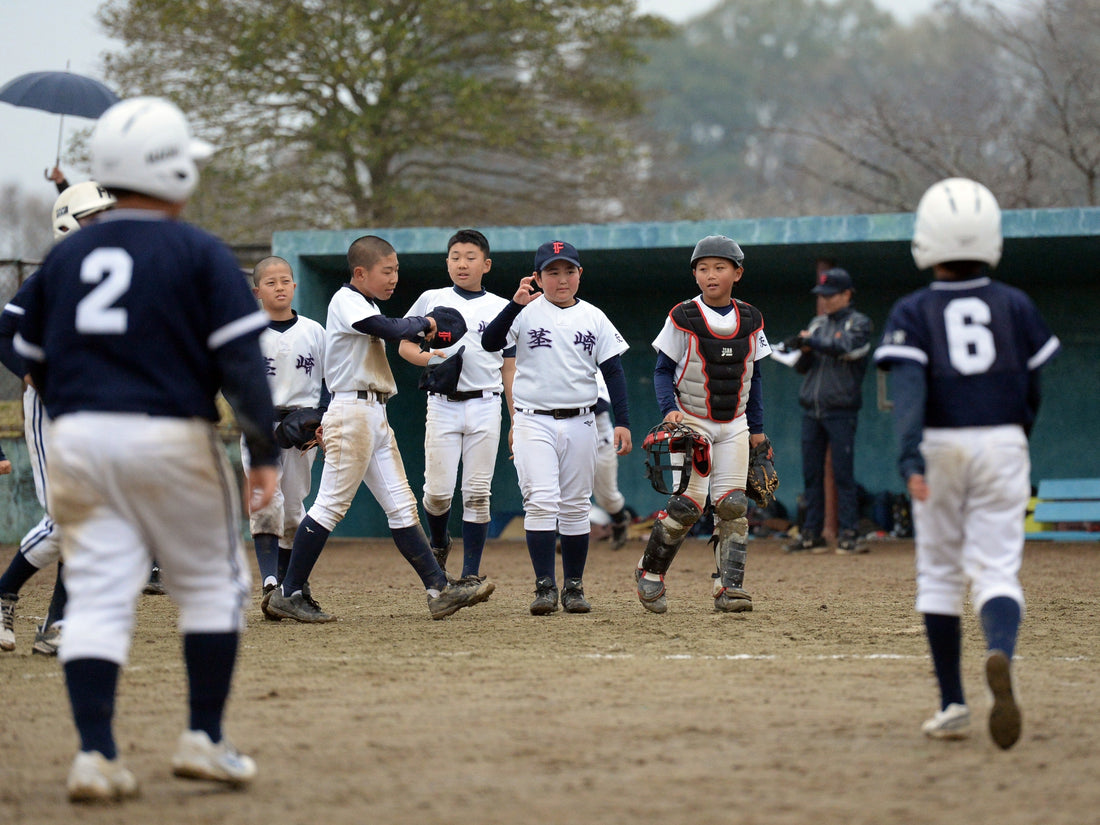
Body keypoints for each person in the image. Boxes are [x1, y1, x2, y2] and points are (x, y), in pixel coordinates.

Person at [14, 96, 279, 800]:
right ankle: (204, 738)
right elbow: (242, 363)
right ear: (174, 173)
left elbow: (25, 350)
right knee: (211, 586)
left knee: (97, 596)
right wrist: (262, 453)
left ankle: (96, 755)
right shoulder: (198, 251)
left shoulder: (66, 255)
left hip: (80, 437)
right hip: (171, 435)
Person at [874, 177, 1061, 750]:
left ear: (924, 240)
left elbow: (906, 393)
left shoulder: (913, 308)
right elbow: (1034, 387)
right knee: (997, 570)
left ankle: (953, 704)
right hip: (1004, 441)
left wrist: (910, 459)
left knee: (939, 575)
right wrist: (1014, 439)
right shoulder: (1015, 304)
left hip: (940, 446)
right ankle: (999, 650)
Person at [263, 235, 494, 623]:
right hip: (351, 411)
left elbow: (393, 327)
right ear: (360, 272)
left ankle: (438, 589)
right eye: (387, 271)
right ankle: (290, 592)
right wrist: (427, 323)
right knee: (330, 506)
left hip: (374, 412)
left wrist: (424, 334)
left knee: (402, 506)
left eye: (396, 270)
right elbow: (385, 327)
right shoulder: (346, 300)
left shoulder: (366, 301)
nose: (394, 279)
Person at [482, 240, 631, 615]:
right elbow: (489, 342)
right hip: (533, 420)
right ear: (537, 277)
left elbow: (614, 371)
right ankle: (545, 586)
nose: (561, 279)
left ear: (580, 274)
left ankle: (574, 587)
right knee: (541, 501)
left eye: (568, 271)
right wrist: (515, 304)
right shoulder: (525, 312)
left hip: (582, 420)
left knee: (576, 507)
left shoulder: (595, 317)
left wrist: (624, 422)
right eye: (552, 271)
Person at [0, 181, 116, 656]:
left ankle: (55, 625)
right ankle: (5, 593)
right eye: (92, 219)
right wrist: (29, 374)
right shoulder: (51, 276)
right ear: (67, 226)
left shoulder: (110, 274)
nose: (102, 226)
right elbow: (3, 331)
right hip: (51, 405)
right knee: (68, 519)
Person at [635, 235, 772, 614]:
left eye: (720, 267)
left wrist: (757, 429)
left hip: (735, 425)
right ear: (695, 274)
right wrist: (669, 410)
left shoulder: (752, 318)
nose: (711, 275)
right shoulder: (683, 316)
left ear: (737, 273)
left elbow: (754, 377)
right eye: (703, 268)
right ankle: (650, 572)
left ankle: (728, 588)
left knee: (732, 505)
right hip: (693, 421)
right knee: (688, 506)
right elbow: (663, 371)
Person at [397, 229, 515, 582]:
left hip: (485, 402)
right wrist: (429, 358)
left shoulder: (499, 307)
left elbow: (509, 366)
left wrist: (516, 421)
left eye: (470, 257)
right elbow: (405, 346)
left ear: (486, 264)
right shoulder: (431, 299)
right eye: (455, 257)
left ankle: (471, 574)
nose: (462, 263)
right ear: (447, 262)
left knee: (478, 493)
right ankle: (439, 540)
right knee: (436, 494)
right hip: (443, 403)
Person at [246, 256, 327, 615]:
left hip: (301, 429)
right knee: (266, 501)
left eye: (285, 281)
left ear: (295, 286)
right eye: (271, 282)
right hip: (260, 426)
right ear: (257, 291)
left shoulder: (313, 331)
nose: (279, 287)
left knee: (294, 508)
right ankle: (268, 580)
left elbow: (329, 383)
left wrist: (322, 420)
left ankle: (289, 585)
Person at [784, 267, 873, 554]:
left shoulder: (859, 323)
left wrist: (811, 341)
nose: (825, 300)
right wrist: (800, 350)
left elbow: (846, 347)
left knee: (843, 474)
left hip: (841, 409)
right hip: (812, 408)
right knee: (811, 474)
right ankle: (812, 533)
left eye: (831, 295)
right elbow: (802, 367)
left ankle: (849, 533)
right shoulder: (818, 324)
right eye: (822, 295)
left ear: (847, 294)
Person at [592, 370, 633, 549]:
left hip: (601, 444)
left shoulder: (592, 368)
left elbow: (601, 404)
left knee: (607, 498)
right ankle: (568, 537)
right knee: (566, 493)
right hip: (569, 443)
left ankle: (620, 521)